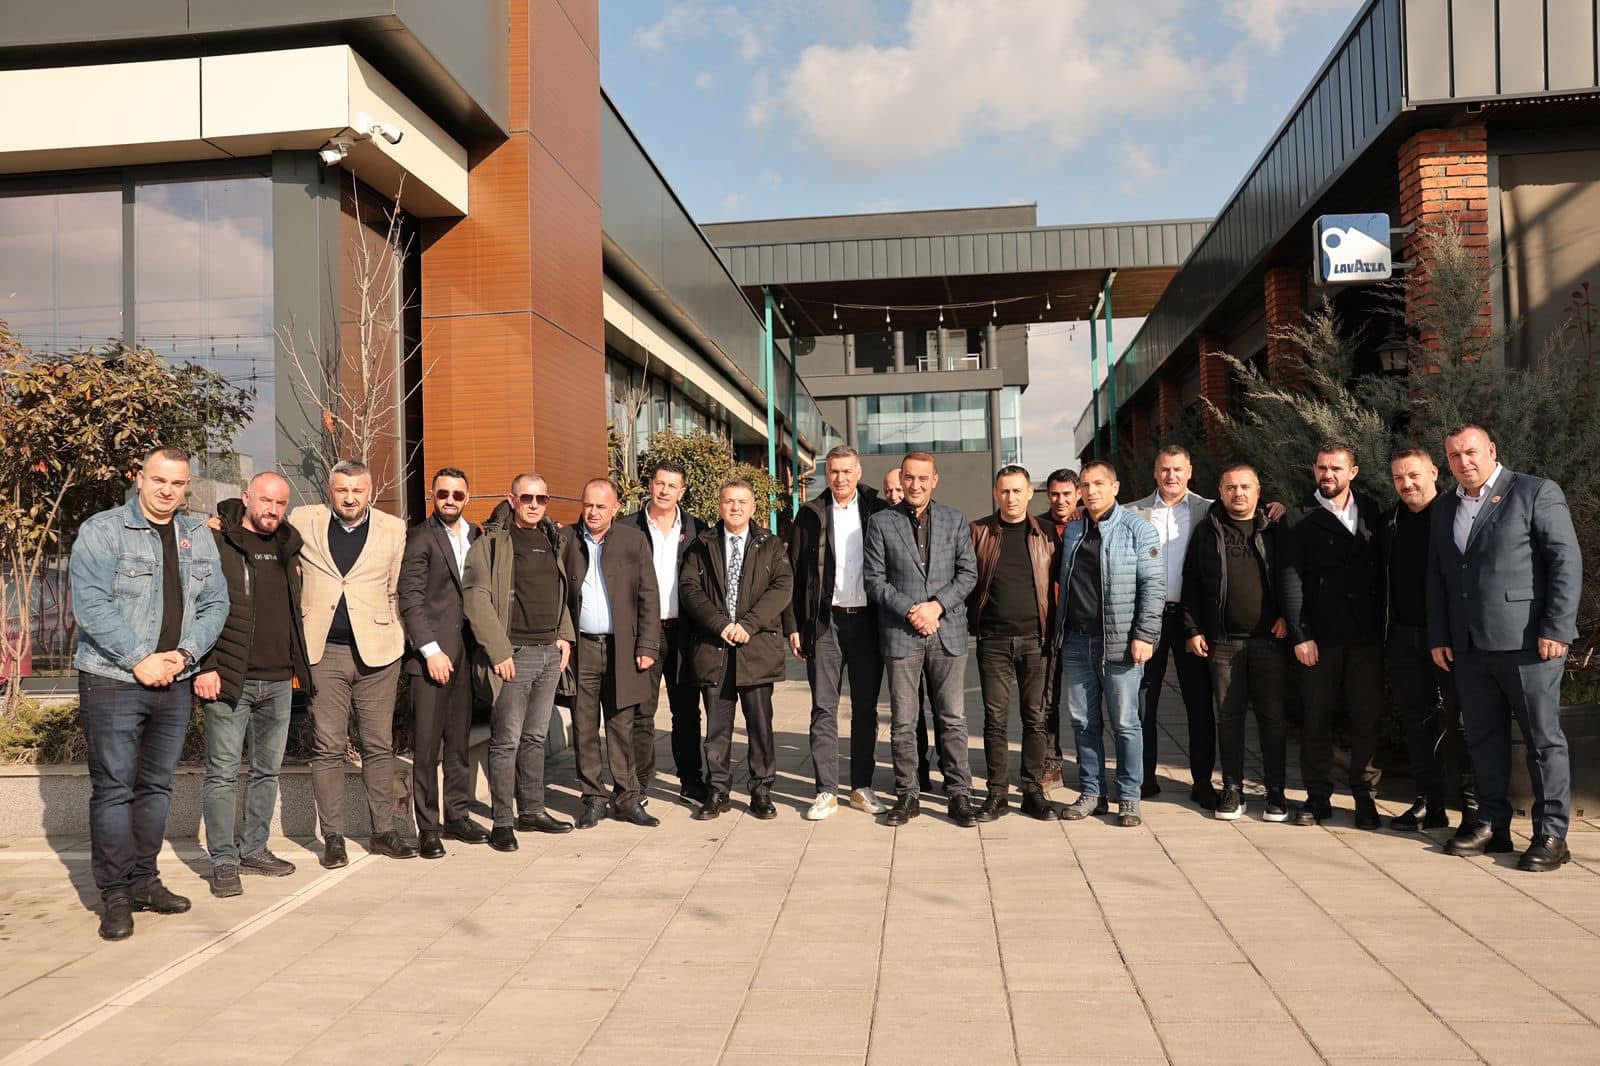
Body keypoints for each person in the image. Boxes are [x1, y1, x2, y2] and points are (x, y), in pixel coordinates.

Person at [70, 446, 227, 940]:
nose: (167, 491)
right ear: (139, 478)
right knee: (115, 789)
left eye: (177, 483)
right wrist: (140, 658)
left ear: (187, 487)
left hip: (174, 681)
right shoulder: (103, 531)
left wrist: (183, 656)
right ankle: (116, 895)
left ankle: (144, 880)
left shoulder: (197, 535)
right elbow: (91, 605)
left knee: (156, 787)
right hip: (113, 680)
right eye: (159, 480)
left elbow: (216, 604)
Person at [1430, 425, 1582, 872]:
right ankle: (1492, 824)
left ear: (1492, 450)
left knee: (1542, 741)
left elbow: (1564, 561)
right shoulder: (1445, 506)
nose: (1464, 462)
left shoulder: (1535, 492)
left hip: (1528, 643)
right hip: (1469, 647)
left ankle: (1551, 834)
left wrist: (1557, 627)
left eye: (1471, 452)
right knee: (1482, 738)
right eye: (1454, 456)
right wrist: (1441, 635)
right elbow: (1438, 575)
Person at [291, 459, 415, 867]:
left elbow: (396, 587)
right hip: (323, 651)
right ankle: (333, 838)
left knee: (378, 745)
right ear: (330, 490)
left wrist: (396, 633)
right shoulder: (303, 520)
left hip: (378, 653)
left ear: (369, 491)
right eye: (342, 490)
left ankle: (383, 832)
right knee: (327, 747)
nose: (349, 498)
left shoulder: (393, 529)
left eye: (357, 490)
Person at [196, 472, 313, 899]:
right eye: (265, 500)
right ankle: (224, 860)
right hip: (230, 678)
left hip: (279, 680)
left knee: (268, 771)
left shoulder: (289, 545)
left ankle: (254, 849)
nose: (272, 510)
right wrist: (205, 666)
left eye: (280, 503)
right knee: (223, 773)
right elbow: (198, 607)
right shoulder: (218, 541)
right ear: (247, 497)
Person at [864, 451, 980, 828]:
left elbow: (968, 574)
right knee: (903, 720)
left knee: (953, 718)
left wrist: (936, 607)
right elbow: (874, 580)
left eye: (922, 478)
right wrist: (913, 610)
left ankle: (959, 792)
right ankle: (908, 793)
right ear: (902, 479)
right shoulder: (881, 522)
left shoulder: (954, 519)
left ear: (935, 480)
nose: (915, 485)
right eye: (909, 478)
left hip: (947, 632)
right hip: (902, 633)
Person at [462, 473, 575, 851]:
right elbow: (476, 599)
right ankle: (502, 821)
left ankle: (532, 810)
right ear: (511, 499)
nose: (534, 505)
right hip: (514, 655)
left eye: (541, 498)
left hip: (548, 654)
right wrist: (499, 651)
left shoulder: (551, 538)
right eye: (527, 497)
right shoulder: (491, 542)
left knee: (535, 737)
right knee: (506, 741)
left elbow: (559, 592)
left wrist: (564, 635)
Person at [1278, 441, 1386, 829]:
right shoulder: (1297, 517)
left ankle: (1365, 797)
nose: (1328, 474)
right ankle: (1317, 797)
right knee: (1315, 720)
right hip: (1319, 639)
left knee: (1366, 719)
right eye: (1322, 468)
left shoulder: (1373, 510)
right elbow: (1290, 580)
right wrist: (1300, 634)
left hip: (1366, 637)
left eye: (1336, 468)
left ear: (1352, 472)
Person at [1055, 460, 1164, 827]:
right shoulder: (1075, 530)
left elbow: (1153, 586)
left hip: (1120, 642)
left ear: (1115, 487)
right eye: (1085, 485)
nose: (1091, 491)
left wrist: (1145, 635)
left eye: (1099, 484)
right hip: (1077, 641)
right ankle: (1092, 793)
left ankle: (1129, 797)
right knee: (1083, 722)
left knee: (1125, 723)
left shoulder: (1138, 529)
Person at [1181, 463, 1290, 822]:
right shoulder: (1206, 530)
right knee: (1228, 718)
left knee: (1273, 718)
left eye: (1245, 486)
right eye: (1230, 487)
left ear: (1258, 491)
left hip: (1269, 641)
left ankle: (1275, 791)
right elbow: (1191, 582)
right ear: (1220, 492)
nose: (1238, 493)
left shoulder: (1276, 529)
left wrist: (1287, 617)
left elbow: (1293, 576)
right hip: (1223, 643)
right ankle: (1232, 789)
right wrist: (1193, 629)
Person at [681, 480, 795, 820]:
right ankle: (718, 791)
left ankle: (761, 791)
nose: (735, 507)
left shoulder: (771, 545)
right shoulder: (701, 545)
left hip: (755, 647)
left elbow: (782, 588)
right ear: (720, 506)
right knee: (717, 729)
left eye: (742, 502)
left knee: (760, 727)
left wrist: (748, 624)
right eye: (729, 501)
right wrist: (720, 624)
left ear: (753, 507)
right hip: (714, 647)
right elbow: (690, 589)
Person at [788, 445, 890, 820]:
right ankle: (826, 791)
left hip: (867, 623)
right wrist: (793, 626)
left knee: (865, 708)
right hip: (824, 623)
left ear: (858, 472)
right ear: (826, 474)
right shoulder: (810, 514)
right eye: (834, 471)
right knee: (823, 707)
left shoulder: (878, 511)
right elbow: (793, 574)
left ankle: (861, 787)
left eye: (847, 471)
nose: (840, 478)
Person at [398, 468, 491, 859]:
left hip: (465, 655)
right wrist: (430, 650)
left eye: (457, 494)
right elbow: (410, 599)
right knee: (426, 747)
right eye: (443, 494)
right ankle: (428, 828)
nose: (450, 500)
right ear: (432, 495)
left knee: (458, 743)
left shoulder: (476, 536)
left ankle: (457, 817)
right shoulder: (420, 537)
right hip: (432, 659)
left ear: (467, 497)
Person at [1383, 448, 1476, 836]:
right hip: (1404, 635)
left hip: (1452, 637)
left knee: (1464, 722)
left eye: (1414, 475)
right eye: (1399, 478)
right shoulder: (1389, 520)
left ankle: (1474, 810)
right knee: (1417, 720)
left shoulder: (1456, 514)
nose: (1407, 484)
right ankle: (1429, 803)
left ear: (1434, 473)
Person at [563, 478, 661, 829]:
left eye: (601, 506)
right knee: (584, 726)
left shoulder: (633, 540)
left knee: (622, 725)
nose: (592, 512)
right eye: (588, 505)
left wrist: (647, 645)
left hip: (623, 647)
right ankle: (593, 797)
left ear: (615, 508)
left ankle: (627, 797)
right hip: (582, 648)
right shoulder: (567, 539)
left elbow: (649, 595)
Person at [1127, 445, 1218, 808]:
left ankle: (1203, 782)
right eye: (1165, 469)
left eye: (1178, 469)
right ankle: (1144, 777)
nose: (1171, 476)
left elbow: (1247, 513)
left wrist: (1275, 508)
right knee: (1143, 703)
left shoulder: (1208, 510)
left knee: (1199, 703)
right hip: (1148, 619)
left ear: (1189, 471)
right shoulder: (1133, 512)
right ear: (1155, 472)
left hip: (1191, 620)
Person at [969, 465, 1058, 821]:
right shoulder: (979, 532)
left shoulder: (1046, 534)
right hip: (993, 641)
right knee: (995, 720)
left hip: (1035, 641)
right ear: (996, 493)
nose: (1011, 498)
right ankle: (997, 793)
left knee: (1035, 718)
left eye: (1017, 491)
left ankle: (1033, 791)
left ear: (1030, 493)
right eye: (1004, 491)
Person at [629, 460, 709, 806]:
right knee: (641, 713)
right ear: (650, 484)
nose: (664, 491)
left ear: (682, 491)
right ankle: (639, 785)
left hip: (685, 633)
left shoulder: (697, 528)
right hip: (643, 633)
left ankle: (691, 781)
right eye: (659, 483)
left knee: (687, 712)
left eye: (672, 485)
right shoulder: (628, 527)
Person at [1037, 467, 1080, 790]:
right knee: (1047, 700)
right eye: (1054, 494)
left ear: (1078, 494)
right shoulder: (1038, 527)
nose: (1060, 500)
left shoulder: (1090, 523)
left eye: (1067, 494)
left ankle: (1092, 766)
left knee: (1086, 700)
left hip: (1083, 625)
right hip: (1048, 625)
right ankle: (1051, 763)